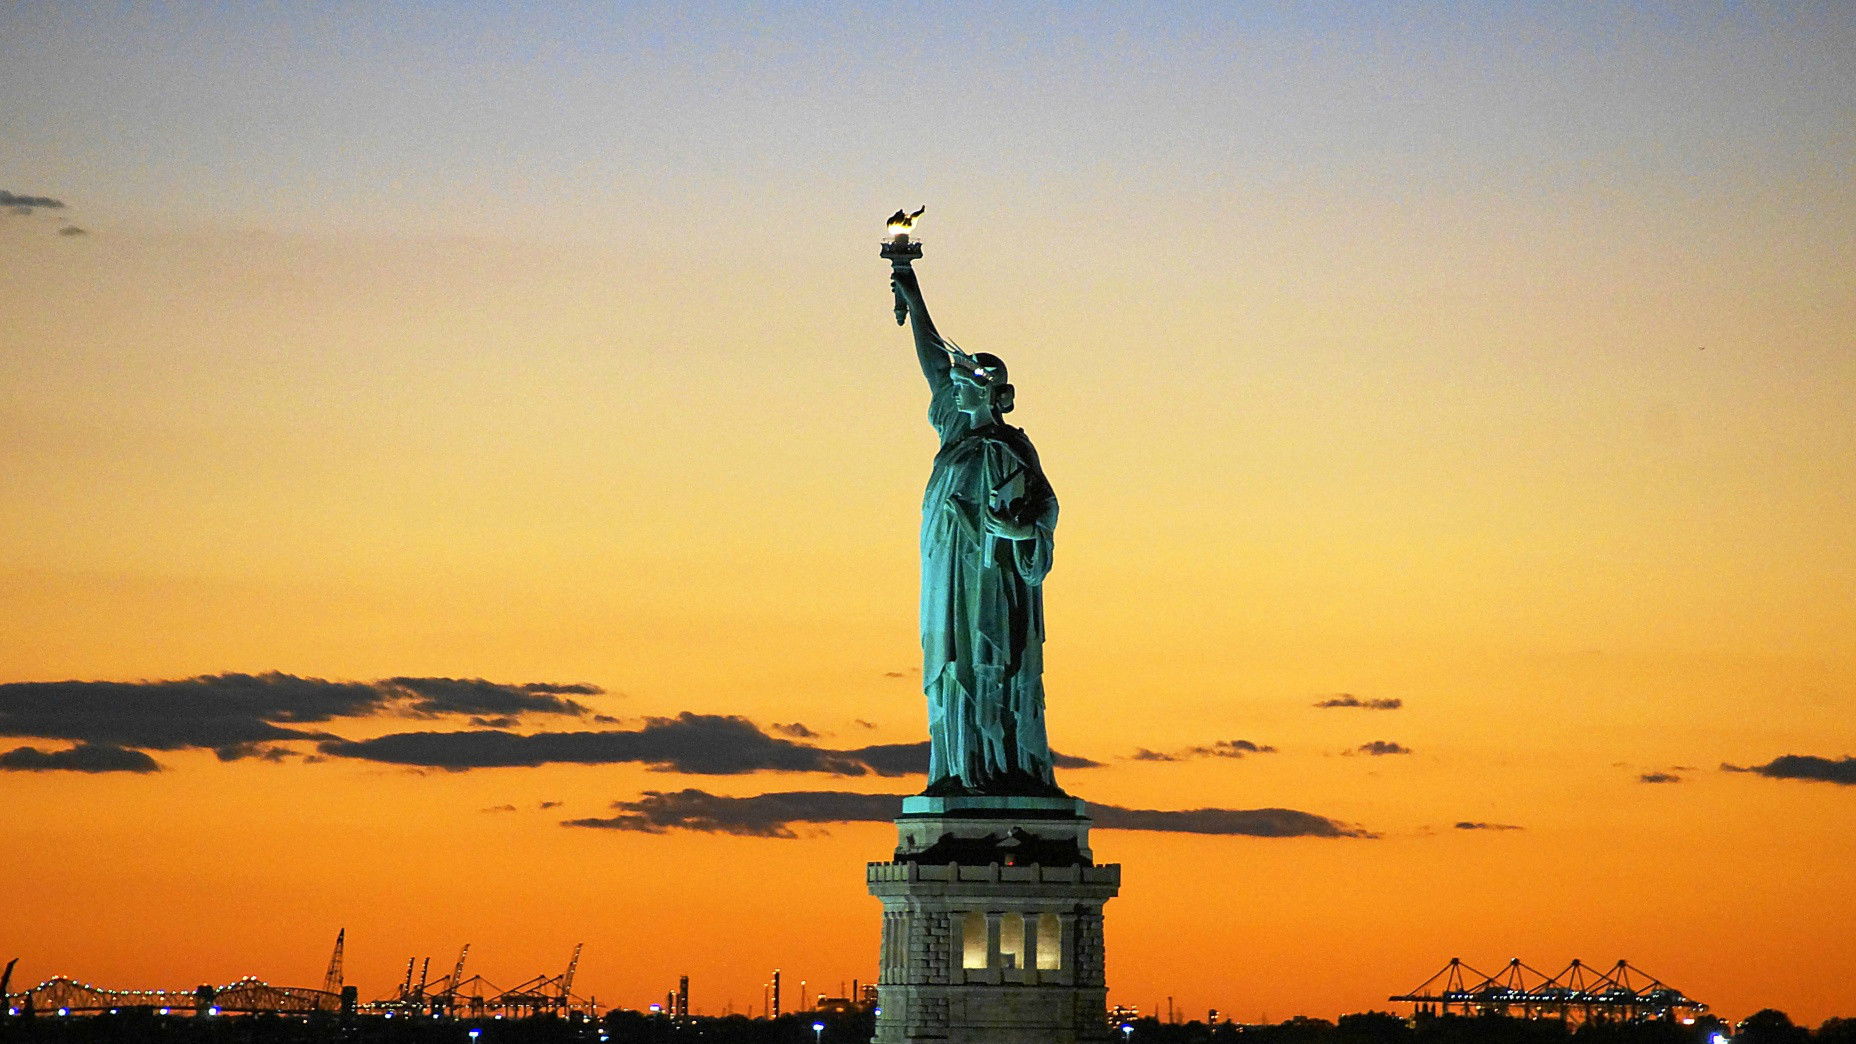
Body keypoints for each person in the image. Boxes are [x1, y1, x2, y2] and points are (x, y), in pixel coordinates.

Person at [891, 265, 1063, 796]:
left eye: (964, 387)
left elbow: (1047, 510)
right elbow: (931, 364)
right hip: (947, 573)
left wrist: (1014, 532)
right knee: (951, 664)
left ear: (986, 395)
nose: (954, 391)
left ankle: (999, 764)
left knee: (993, 665)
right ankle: (955, 766)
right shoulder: (954, 431)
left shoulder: (1012, 449)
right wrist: (909, 286)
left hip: (993, 580)